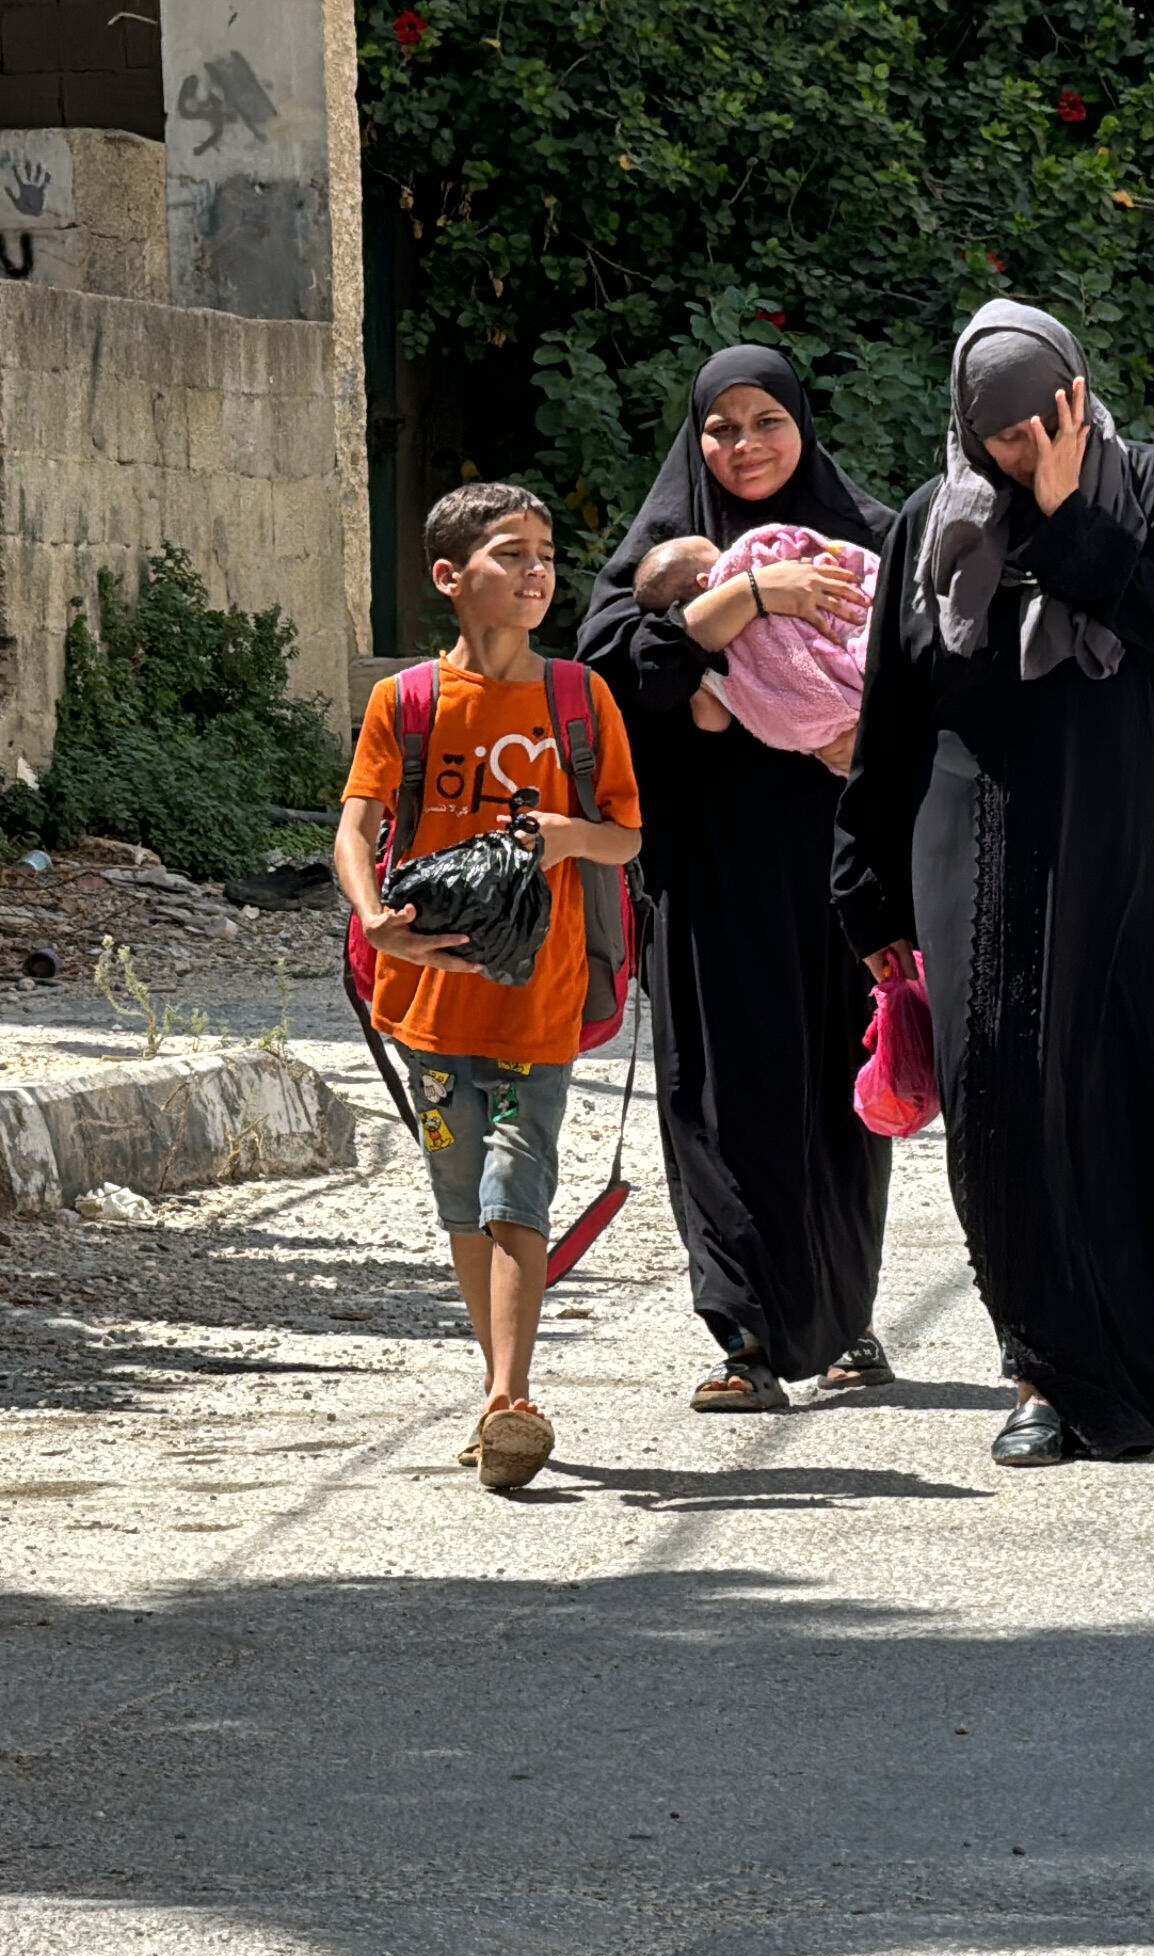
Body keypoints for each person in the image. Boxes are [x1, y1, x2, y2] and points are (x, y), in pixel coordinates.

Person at [833, 299, 1154, 1464]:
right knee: (1003, 1102)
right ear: (962, 422)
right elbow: (895, 710)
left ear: (1077, 393)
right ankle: (1044, 1371)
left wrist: (1063, 515)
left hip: (1151, 847)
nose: (1024, 447)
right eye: (1000, 434)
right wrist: (867, 889)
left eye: (1044, 420)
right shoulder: (927, 528)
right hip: (981, 853)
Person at [581, 347, 902, 1413]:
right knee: (720, 1092)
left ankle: (846, 1316)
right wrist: (746, 599)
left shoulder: (870, 537)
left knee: (836, 1093)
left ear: (802, 425)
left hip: (839, 861)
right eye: (721, 428)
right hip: (712, 866)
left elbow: (928, 674)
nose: (744, 445)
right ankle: (745, 1335)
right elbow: (610, 677)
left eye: (766, 421)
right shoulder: (659, 552)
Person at [336, 483, 645, 1490]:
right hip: (424, 1007)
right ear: (448, 577)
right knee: (458, 1191)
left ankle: (511, 1398)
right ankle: (496, 1384)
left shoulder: (579, 701)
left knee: (520, 1186)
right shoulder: (407, 701)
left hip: (536, 1004)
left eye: (545, 554)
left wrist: (564, 837)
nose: (535, 572)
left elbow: (628, 835)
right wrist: (374, 915)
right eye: (510, 554)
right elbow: (355, 823)